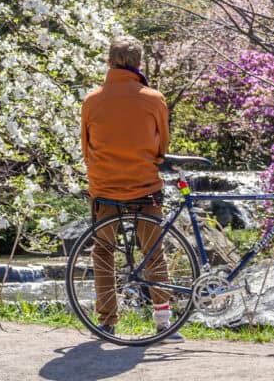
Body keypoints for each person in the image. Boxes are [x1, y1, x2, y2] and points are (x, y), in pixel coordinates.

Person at [80, 35, 183, 342]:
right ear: (139, 64)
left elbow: (87, 149)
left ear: (109, 63)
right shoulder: (154, 99)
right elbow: (162, 148)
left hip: (105, 187)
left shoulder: (92, 100)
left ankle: (107, 322)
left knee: (103, 251)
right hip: (144, 186)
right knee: (153, 252)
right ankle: (163, 321)